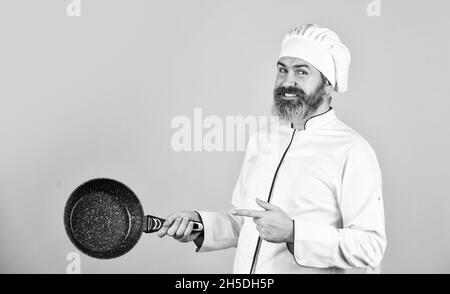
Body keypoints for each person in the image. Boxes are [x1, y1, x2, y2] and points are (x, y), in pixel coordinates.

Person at [157, 24, 386, 274]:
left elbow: (370, 246)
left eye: (301, 72)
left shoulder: (352, 150)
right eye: (282, 69)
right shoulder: (263, 139)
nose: (288, 81)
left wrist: (294, 233)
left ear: (328, 84)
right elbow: (244, 223)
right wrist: (200, 224)